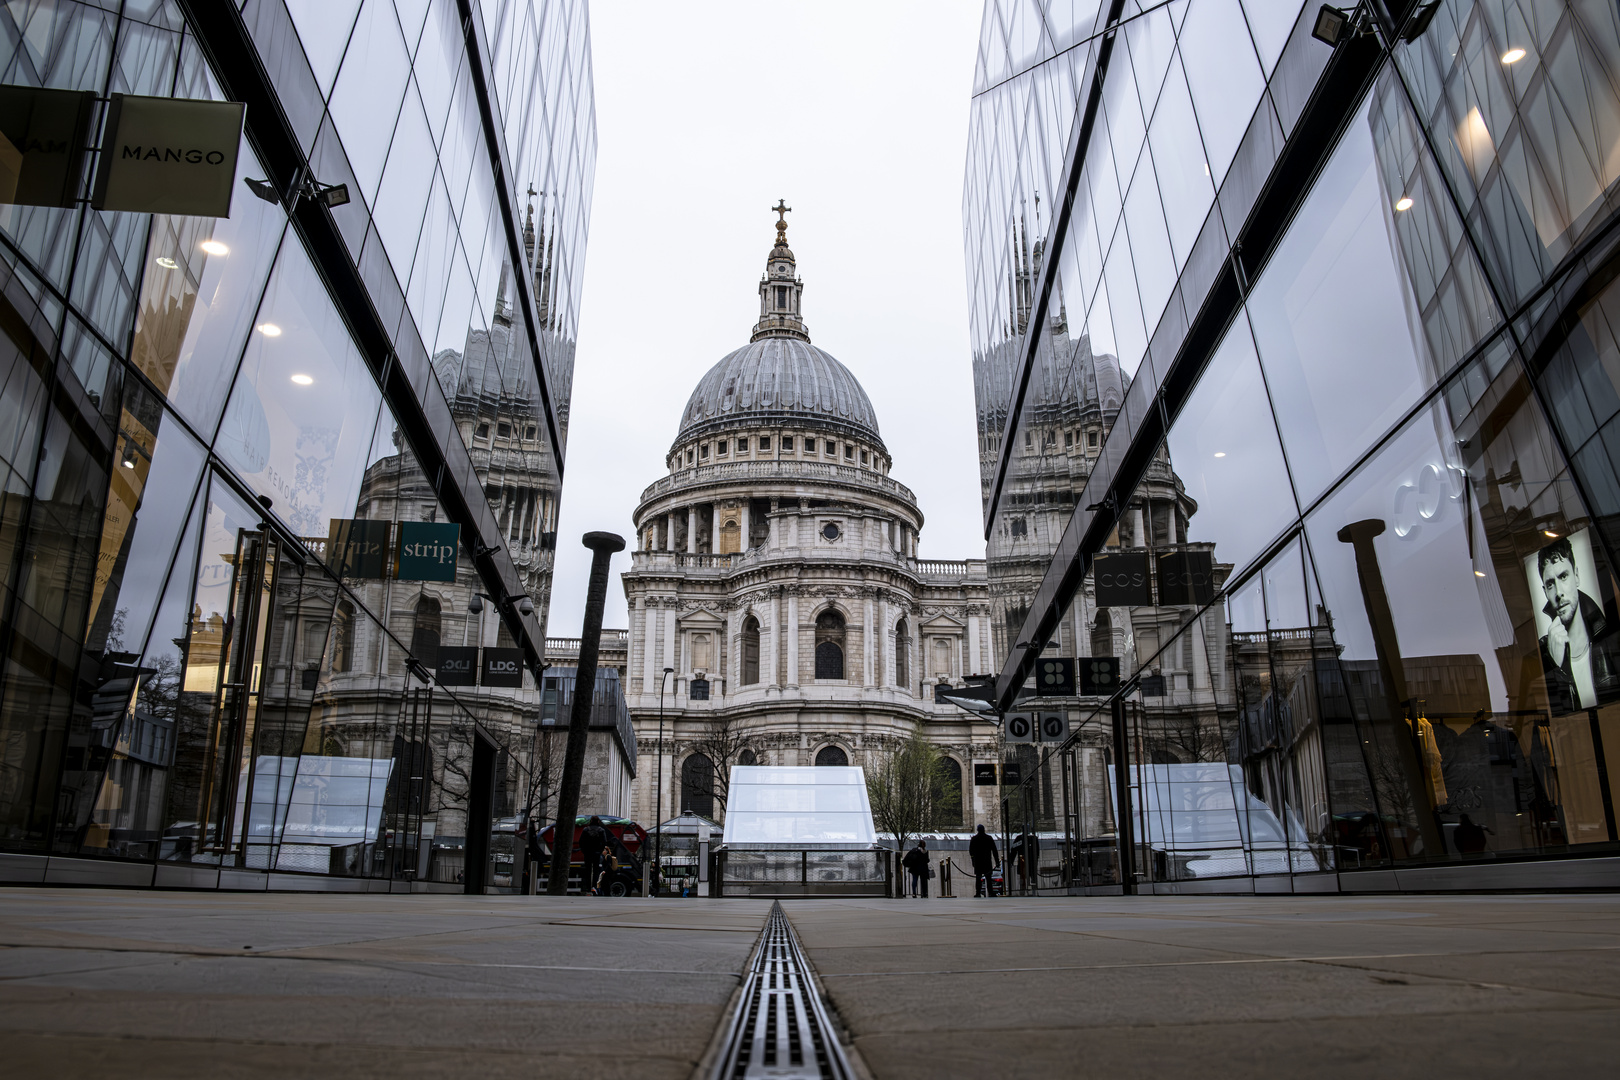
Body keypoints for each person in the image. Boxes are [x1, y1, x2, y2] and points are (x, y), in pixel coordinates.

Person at [1535, 536, 1620, 714]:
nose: (1558, 593)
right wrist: (1557, 667)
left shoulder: (1610, 637)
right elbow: (1560, 722)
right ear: (1545, 591)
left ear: (1576, 576)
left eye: (1563, 576)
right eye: (1550, 584)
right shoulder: (1543, 654)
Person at [578, 815, 611, 895]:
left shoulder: (586, 830)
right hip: (596, 853)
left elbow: (581, 842)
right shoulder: (601, 830)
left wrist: (584, 851)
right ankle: (594, 887)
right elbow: (604, 842)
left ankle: (587, 887)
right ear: (598, 821)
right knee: (596, 871)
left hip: (587, 853)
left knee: (587, 870)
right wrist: (599, 851)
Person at [968, 824, 999, 897]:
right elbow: (994, 851)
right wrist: (997, 861)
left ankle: (978, 893)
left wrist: (973, 860)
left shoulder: (974, 839)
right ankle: (990, 892)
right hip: (987, 861)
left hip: (978, 861)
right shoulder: (989, 838)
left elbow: (971, 851)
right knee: (988, 878)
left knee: (978, 878)